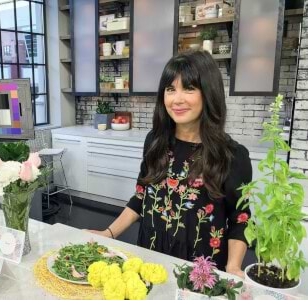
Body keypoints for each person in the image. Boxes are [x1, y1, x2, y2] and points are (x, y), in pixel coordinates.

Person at [88, 51, 252, 278]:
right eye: (170, 89)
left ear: (209, 93)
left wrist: (233, 267)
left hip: (200, 269)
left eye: (189, 88)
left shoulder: (233, 156)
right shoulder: (155, 142)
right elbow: (141, 196)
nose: (177, 99)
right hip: (150, 255)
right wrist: (109, 232)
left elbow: (240, 220)